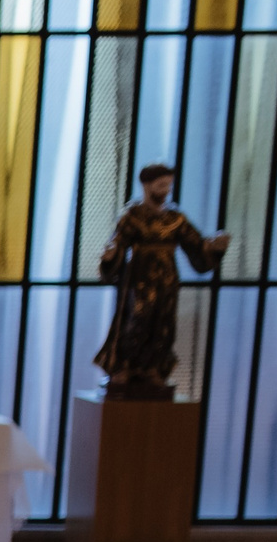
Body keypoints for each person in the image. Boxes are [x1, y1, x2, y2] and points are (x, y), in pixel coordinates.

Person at [93, 163, 230, 400]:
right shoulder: (132, 217)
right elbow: (117, 244)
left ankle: (153, 368)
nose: (166, 190)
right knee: (137, 319)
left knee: (163, 324)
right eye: (161, 185)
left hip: (166, 280)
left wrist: (215, 247)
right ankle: (125, 366)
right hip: (139, 279)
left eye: (168, 185)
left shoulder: (175, 218)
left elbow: (197, 246)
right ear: (147, 186)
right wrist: (110, 256)